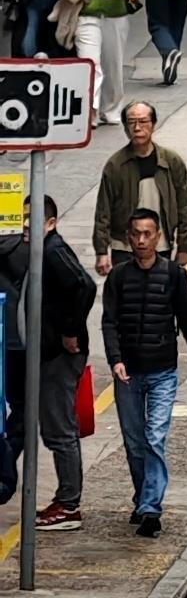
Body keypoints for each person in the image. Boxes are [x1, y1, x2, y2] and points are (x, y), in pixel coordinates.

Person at [100, 211, 187, 538]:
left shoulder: (174, 275)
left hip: (162, 371)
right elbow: (109, 323)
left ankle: (150, 508)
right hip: (128, 374)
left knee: (154, 437)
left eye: (148, 234)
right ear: (129, 237)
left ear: (158, 236)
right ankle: (143, 496)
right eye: (136, 234)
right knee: (134, 442)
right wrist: (115, 360)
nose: (142, 241)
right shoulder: (118, 277)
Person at [0, 195, 94, 524]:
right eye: (25, 217)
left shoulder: (53, 251)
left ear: (51, 223)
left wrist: (70, 332)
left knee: (59, 431)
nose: (27, 224)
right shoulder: (40, 249)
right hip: (47, 352)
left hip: (59, 356)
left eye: (35, 218)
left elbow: (85, 286)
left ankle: (69, 505)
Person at [92, 99, 187, 273]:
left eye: (143, 121)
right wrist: (101, 251)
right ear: (125, 128)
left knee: (159, 294)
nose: (137, 128)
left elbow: (184, 206)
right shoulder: (116, 165)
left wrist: (185, 246)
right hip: (124, 247)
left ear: (153, 124)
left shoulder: (171, 162)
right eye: (131, 122)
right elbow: (103, 210)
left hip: (160, 244)